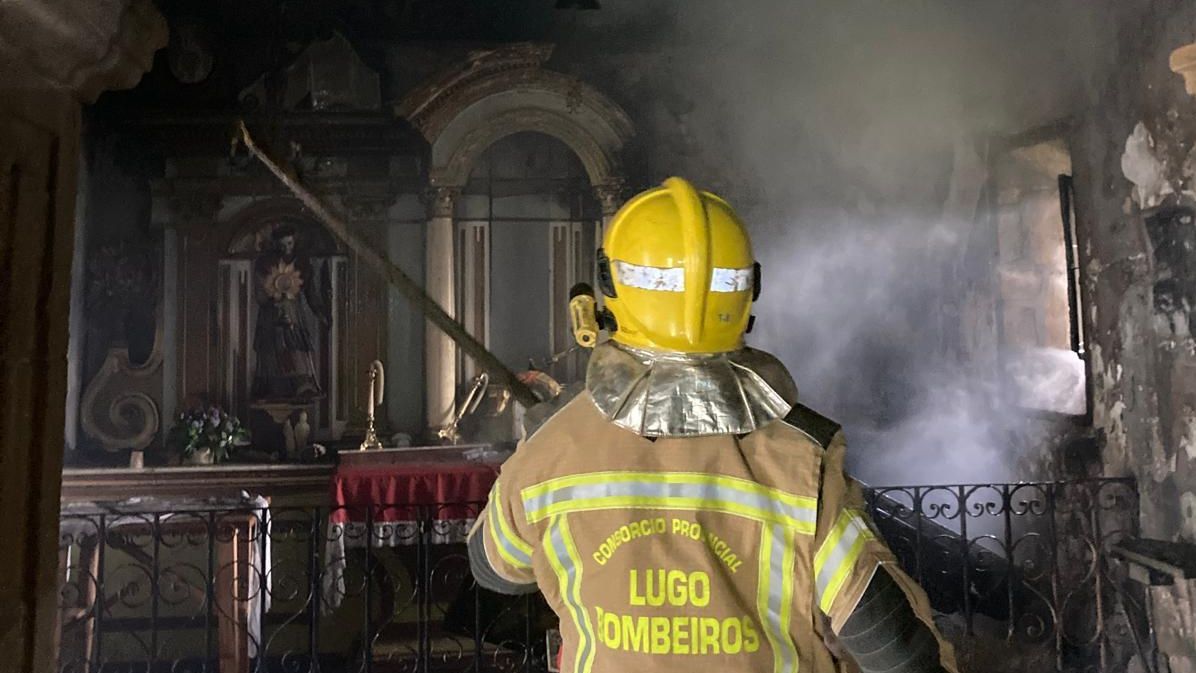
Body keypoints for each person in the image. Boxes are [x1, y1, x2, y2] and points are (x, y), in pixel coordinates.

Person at [467, 178, 957, 673]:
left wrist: (541, 441)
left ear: (605, 291)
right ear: (746, 295)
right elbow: (895, 649)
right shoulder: (800, 457)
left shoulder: (554, 444)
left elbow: (495, 569)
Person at [251, 224, 326, 399]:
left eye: (290, 244)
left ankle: (302, 384)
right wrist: (272, 298)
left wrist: (320, 311)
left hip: (293, 312)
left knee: (296, 344)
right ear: (276, 244)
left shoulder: (302, 264)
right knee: (271, 347)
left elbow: (310, 292)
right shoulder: (265, 263)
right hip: (270, 313)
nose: (286, 248)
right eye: (282, 245)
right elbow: (260, 290)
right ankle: (273, 387)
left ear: (294, 242)